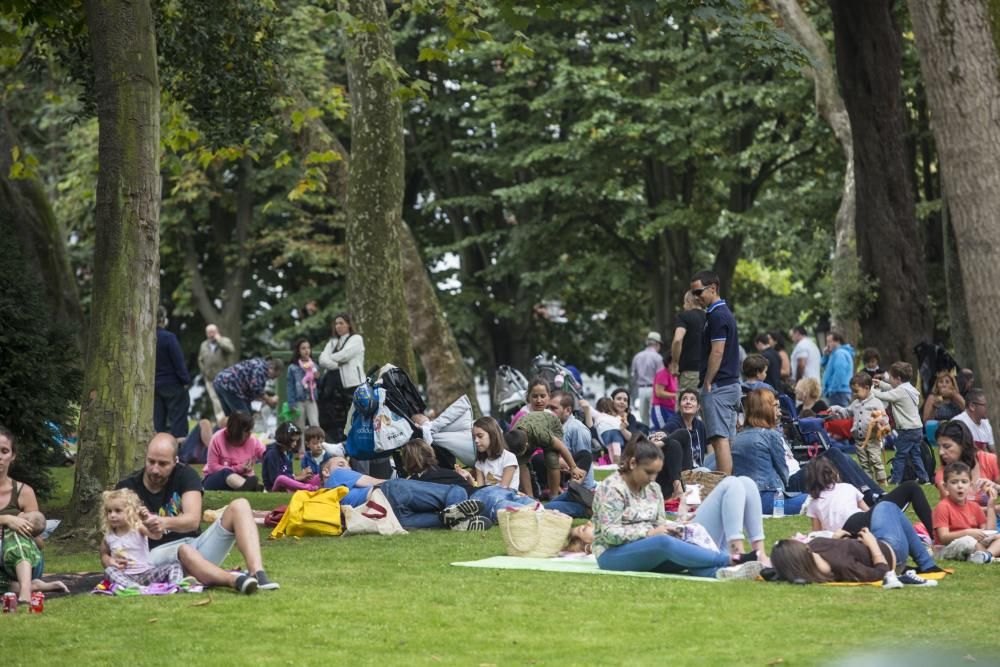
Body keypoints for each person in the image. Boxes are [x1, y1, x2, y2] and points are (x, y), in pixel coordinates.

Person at [117, 433, 279, 593]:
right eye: (151, 462)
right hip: (153, 558)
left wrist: (162, 522)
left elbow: (193, 520)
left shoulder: (185, 475)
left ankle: (257, 573)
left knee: (241, 505)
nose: (155, 470)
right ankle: (234, 580)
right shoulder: (127, 489)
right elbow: (118, 534)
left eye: (163, 464)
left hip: (196, 549)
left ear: (175, 461)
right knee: (183, 548)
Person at [589, 435, 763, 580]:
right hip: (612, 554)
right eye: (649, 472)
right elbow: (610, 534)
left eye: (656, 473)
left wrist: (676, 526)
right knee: (664, 542)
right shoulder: (611, 488)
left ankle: (720, 573)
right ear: (633, 464)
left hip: (651, 548)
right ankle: (731, 559)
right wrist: (649, 533)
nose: (653, 478)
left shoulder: (653, 489)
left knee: (683, 537)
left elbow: (658, 524)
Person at [804, 457, 937, 553]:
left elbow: (817, 534)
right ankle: (935, 535)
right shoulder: (846, 487)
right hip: (859, 521)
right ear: (834, 473)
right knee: (911, 487)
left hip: (845, 537)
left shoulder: (814, 504)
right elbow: (868, 511)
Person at [322, 455, 490, 530]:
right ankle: (459, 515)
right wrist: (407, 483)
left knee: (441, 517)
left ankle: (458, 522)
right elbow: (373, 481)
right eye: (342, 463)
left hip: (383, 516)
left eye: (348, 464)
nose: (348, 468)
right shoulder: (336, 476)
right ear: (326, 471)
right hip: (389, 493)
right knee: (456, 490)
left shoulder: (328, 501)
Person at [0, 427, 69, 604]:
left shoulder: (23, 492)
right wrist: (7, 519)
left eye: (4, 451)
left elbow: (39, 543)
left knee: (16, 532)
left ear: (12, 456)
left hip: (24, 562)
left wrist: (23, 527)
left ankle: (24, 590)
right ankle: (34, 586)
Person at [770, 524, 937, 587]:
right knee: (887, 505)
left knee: (859, 517)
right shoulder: (842, 566)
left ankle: (926, 560)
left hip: (859, 539)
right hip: (891, 551)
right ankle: (927, 563)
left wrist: (836, 540)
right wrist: (872, 544)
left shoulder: (811, 551)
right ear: (801, 554)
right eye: (793, 541)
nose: (795, 538)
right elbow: (882, 573)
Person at [690, 270, 741, 475]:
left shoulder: (718, 315)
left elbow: (717, 351)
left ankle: (725, 488)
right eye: (693, 293)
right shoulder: (721, 313)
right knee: (728, 441)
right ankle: (731, 486)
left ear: (713, 288)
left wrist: (708, 380)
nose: (696, 297)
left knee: (719, 440)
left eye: (699, 292)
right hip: (730, 385)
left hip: (719, 385)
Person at [731, 389, 807, 516]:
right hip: (768, 498)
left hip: (743, 500)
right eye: (775, 406)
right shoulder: (771, 435)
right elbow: (783, 471)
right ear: (766, 409)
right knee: (813, 500)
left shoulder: (738, 438)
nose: (778, 410)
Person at [99, 489, 185, 589]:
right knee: (109, 571)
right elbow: (103, 553)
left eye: (118, 511)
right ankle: (132, 587)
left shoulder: (138, 527)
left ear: (131, 512)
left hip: (145, 574)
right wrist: (109, 561)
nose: (112, 515)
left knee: (175, 566)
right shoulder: (109, 536)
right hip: (123, 576)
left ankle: (175, 585)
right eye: (109, 511)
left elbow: (157, 536)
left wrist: (148, 520)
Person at [933, 462, 1000, 564]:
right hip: (950, 547)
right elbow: (943, 538)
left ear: (970, 485)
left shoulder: (975, 507)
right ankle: (987, 555)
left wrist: (990, 505)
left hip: (976, 543)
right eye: (954, 482)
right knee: (968, 541)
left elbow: (988, 531)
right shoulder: (943, 507)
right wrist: (967, 533)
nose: (960, 486)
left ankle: (987, 555)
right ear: (945, 486)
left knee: (996, 537)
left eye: (964, 482)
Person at [872, 362, 928, 485]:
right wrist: (880, 383)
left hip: (907, 430)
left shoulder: (900, 392)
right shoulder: (909, 388)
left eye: (890, 377)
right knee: (915, 455)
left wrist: (870, 389)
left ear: (897, 379)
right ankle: (924, 478)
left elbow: (883, 395)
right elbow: (893, 389)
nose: (889, 379)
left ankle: (895, 480)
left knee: (900, 456)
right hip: (917, 428)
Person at [829, 372, 888, 484]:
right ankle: (869, 482)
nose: (854, 394)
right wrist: (836, 409)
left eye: (856, 391)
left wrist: (881, 422)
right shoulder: (855, 403)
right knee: (864, 463)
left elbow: (884, 417)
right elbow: (847, 412)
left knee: (875, 460)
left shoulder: (876, 403)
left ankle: (883, 481)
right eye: (853, 391)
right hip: (859, 441)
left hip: (872, 439)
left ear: (867, 388)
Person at [512, 409, 585, 498]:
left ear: (527, 444)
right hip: (529, 430)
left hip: (551, 426)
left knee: (552, 458)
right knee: (521, 462)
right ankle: (530, 498)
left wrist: (574, 467)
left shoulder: (540, 434)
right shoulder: (513, 436)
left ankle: (553, 496)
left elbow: (561, 447)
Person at [318, 313, 365, 442]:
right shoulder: (332, 342)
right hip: (334, 387)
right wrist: (336, 364)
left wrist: (330, 359)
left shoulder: (356, 339)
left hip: (352, 384)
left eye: (341, 323)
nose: (338, 326)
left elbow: (345, 355)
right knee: (337, 419)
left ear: (348, 324)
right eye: (336, 323)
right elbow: (322, 359)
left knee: (353, 417)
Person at [933, 419, 999, 507]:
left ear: (963, 444)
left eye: (946, 446)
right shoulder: (942, 475)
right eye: (939, 447)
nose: (941, 452)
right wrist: (994, 509)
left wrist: (996, 487)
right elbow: (956, 511)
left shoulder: (988, 460)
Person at [154, 307, 191, 442]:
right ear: (163, 319)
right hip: (172, 384)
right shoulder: (169, 337)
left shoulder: (145, 338)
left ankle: (158, 446)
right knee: (178, 419)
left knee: (158, 420)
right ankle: (178, 453)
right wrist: (185, 380)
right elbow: (178, 362)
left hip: (154, 386)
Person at [203, 411, 266, 491]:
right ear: (235, 431)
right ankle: (252, 488)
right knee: (225, 472)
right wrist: (237, 469)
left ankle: (247, 487)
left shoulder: (253, 441)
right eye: (246, 431)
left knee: (247, 478)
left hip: (242, 477)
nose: (249, 433)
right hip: (215, 478)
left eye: (250, 430)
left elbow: (266, 456)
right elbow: (212, 467)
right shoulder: (217, 439)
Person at [212, 357, 282, 416]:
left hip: (220, 382)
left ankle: (222, 432)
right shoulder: (261, 369)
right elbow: (256, 387)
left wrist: (263, 402)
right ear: (271, 368)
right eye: (275, 376)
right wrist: (269, 400)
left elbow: (251, 390)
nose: (273, 379)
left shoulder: (259, 364)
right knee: (244, 418)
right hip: (229, 385)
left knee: (231, 417)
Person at [263, 422, 319, 492]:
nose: (295, 444)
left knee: (318, 476)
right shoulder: (272, 453)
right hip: (275, 488)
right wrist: (298, 477)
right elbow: (275, 479)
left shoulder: (288, 452)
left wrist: (302, 476)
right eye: (292, 441)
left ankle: (320, 487)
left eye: (297, 441)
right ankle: (309, 489)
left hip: (289, 485)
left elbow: (289, 474)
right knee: (281, 478)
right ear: (284, 439)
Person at [198, 324, 237, 422]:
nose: (211, 335)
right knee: (215, 400)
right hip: (209, 378)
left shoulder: (225, 341)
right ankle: (221, 421)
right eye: (209, 332)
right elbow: (200, 360)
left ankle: (229, 420)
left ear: (217, 331)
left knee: (224, 399)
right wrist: (204, 372)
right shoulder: (203, 344)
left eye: (213, 332)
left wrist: (219, 340)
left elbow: (231, 350)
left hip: (224, 378)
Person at [288, 338, 321, 453]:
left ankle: (317, 447)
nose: (306, 350)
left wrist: (318, 377)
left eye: (308, 348)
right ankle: (301, 451)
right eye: (303, 348)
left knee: (315, 424)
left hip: (311, 399)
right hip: (299, 400)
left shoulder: (314, 365)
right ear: (298, 351)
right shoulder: (293, 367)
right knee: (299, 426)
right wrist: (291, 402)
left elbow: (318, 382)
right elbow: (290, 386)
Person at [662, 389, 708, 469]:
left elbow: (709, 446)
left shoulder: (700, 425)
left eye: (692, 399)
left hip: (700, 469)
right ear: (679, 406)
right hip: (683, 473)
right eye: (684, 399)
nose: (688, 402)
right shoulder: (673, 424)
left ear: (698, 407)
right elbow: (659, 436)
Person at [670, 291, 705, 393]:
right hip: (709, 374)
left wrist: (675, 363)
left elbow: (677, 339)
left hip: (690, 373)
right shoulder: (710, 318)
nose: (683, 306)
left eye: (684, 302)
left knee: (686, 406)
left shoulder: (684, 316)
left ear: (689, 301)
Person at [474, 416, 519, 489]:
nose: (476, 440)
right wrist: (469, 478)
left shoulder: (509, 457)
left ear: (492, 435)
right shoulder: (479, 463)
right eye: (474, 437)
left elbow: (503, 489)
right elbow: (480, 490)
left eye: (480, 436)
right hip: (489, 497)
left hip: (507, 497)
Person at [630, 332, 664, 425]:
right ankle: (654, 436)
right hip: (654, 389)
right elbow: (661, 377)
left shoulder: (637, 356)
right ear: (657, 344)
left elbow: (633, 376)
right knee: (653, 415)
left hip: (641, 389)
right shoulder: (658, 357)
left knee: (643, 416)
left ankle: (645, 435)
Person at [952, 388, 995, 452]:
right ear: (972, 406)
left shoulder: (987, 423)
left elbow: (994, 450)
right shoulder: (958, 423)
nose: (990, 408)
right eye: (986, 405)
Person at [820, 331, 855, 408]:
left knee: (838, 418)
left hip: (838, 392)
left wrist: (832, 390)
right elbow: (823, 366)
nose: (828, 345)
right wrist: (825, 355)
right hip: (839, 391)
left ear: (837, 341)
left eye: (830, 341)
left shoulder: (839, 354)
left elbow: (839, 373)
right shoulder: (834, 354)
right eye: (827, 342)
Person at [650, 356, 678, 430]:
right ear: (669, 363)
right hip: (661, 408)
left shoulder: (673, 376)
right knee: (663, 432)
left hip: (670, 409)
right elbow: (659, 393)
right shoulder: (663, 374)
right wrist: (676, 395)